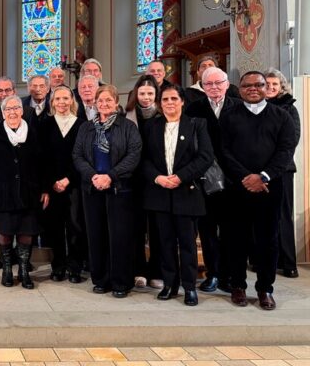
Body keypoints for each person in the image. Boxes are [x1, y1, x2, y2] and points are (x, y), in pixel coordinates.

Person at [220, 71, 296, 310]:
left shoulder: (281, 116)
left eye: (258, 85)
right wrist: (245, 177)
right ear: (239, 89)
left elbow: (286, 150)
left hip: (270, 187)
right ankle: (238, 286)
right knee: (236, 238)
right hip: (237, 187)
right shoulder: (229, 115)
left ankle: (265, 288)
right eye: (246, 85)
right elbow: (223, 151)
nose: (252, 89)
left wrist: (263, 176)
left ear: (266, 87)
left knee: (268, 240)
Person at [141, 85, 214, 306]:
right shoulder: (152, 126)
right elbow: (143, 159)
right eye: (165, 99)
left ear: (182, 101)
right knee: (164, 243)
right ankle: (170, 284)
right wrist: (158, 178)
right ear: (160, 103)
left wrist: (180, 177)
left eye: (174, 98)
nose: (169, 102)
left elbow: (205, 157)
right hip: (160, 192)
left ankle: (190, 287)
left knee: (187, 243)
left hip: (186, 191)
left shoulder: (196, 124)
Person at [73, 85, 142, 298]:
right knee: (96, 235)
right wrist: (93, 176)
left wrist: (110, 176)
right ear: (94, 103)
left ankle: (121, 282)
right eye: (100, 101)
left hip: (119, 189)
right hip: (92, 189)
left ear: (116, 103)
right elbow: (77, 155)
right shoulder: (86, 127)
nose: (104, 104)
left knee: (119, 237)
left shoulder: (128, 126)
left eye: (108, 101)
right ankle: (101, 279)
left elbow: (134, 154)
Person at [0, 95, 49, 289]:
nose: (12, 112)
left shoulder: (33, 133)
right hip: (2, 193)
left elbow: (43, 165)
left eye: (16, 108)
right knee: (5, 233)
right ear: (3, 113)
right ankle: (7, 269)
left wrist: (45, 189)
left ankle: (24, 271)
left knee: (26, 232)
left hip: (29, 192)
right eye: (8, 109)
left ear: (22, 110)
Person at [184, 66, 240, 293]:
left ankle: (229, 275)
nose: (214, 88)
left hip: (234, 179)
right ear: (202, 86)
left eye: (219, 83)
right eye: (209, 84)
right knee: (207, 230)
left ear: (227, 84)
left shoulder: (238, 106)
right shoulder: (194, 108)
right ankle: (213, 273)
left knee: (231, 230)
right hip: (204, 178)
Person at [39, 86, 86, 283]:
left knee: (76, 227)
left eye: (66, 98)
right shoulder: (44, 124)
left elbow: (84, 157)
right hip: (52, 186)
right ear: (52, 102)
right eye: (57, 99)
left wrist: (68, 179)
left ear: (72, 101)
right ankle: (58, 266)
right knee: (54, 228)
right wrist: (50, 185)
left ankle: (75, 267)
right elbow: (40, 158)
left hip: (75, 184)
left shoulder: (83, 125)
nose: (62, 102)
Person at [124, 75, 163, 290]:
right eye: (142, 94)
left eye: (150, 94)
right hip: (134, 179)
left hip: (157, 179)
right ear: (136, 94)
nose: (146, 98)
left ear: (156, 95)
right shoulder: (128, 115)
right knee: (136, 227)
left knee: (157, 228)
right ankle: (138, 270)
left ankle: (157, 271)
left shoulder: (163, 115)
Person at [265, 68, 301, 278]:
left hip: (282, 169)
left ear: (281, 87)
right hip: (259, 170)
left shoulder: (289, 108)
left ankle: (289, 263)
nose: (270, 88)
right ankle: (268, 260)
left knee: (282, 215)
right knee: (263, 216)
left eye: (274, 85)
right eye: (267, 84)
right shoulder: (257, 107)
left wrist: (273, 167)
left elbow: (291, 141)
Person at [0, 76, 36, 141]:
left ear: (14, 92)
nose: (4, 94)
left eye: (7, 90)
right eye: (0, 90)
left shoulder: (29, 112)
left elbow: (35, 141)